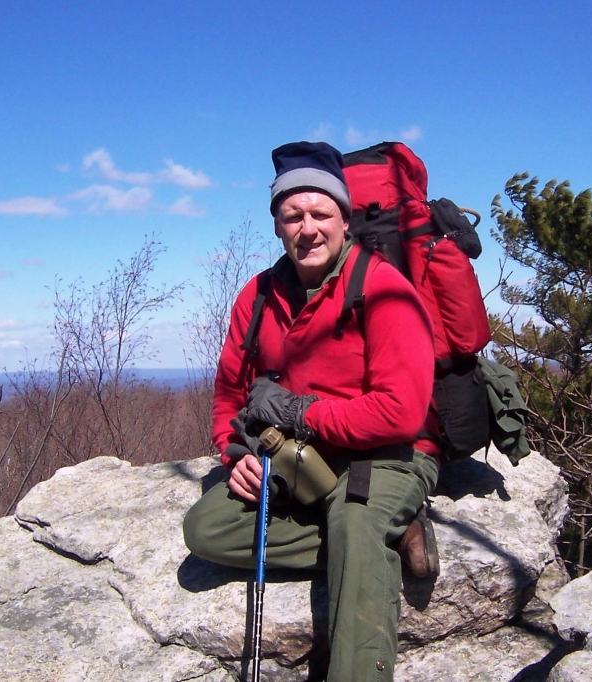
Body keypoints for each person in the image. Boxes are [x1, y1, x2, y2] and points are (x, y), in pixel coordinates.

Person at [182, 140, 440, 682]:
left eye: (321, 213)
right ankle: (383, 536)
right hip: (300, 460)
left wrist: (301, 413)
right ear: (277, 224)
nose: (308, 228)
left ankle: (367, 546)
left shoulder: (383, 289)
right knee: (207, 531)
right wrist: (236, 456)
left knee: (354, 519)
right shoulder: (257, 296)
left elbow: (401, 412)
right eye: (292, 215)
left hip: (390, 454)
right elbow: (230, 393)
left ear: (344, 219)